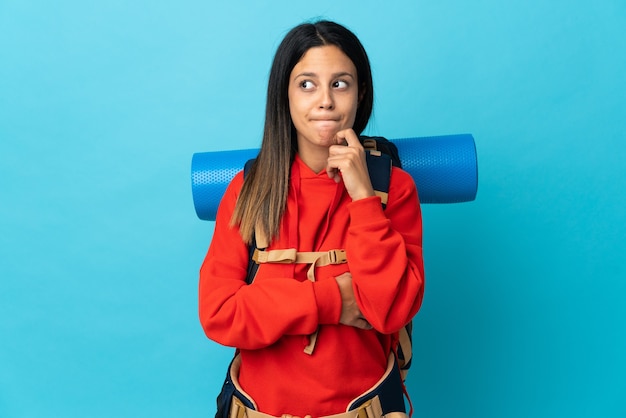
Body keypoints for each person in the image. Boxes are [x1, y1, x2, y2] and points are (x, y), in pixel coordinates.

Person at [199, 20, 424, 418]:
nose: (325, 101)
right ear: (284, 95)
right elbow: (219, 314)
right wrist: (333, 299)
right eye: (307, 84)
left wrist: (363, 197)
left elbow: (390, 312)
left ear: (361, 93)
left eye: (340, 83)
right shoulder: (247, 190)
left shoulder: (395, 189)